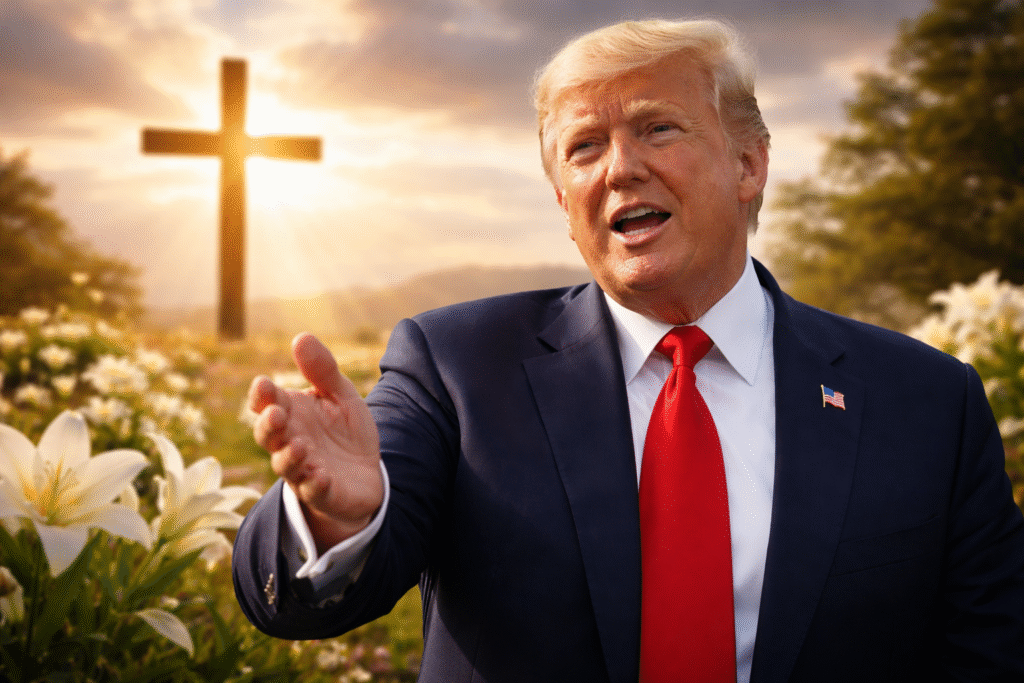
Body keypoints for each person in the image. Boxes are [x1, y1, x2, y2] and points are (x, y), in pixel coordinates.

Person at [233, 18, 1024, 683]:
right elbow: (296, 601)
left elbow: (989, 648)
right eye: (584, 148)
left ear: (749, 163)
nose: (620, 167)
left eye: (657, 128)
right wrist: (341, 518)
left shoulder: (927, 400)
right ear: (562, 204)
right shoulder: (455, 365)